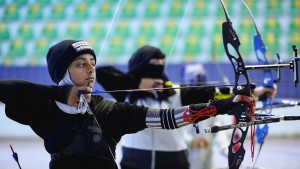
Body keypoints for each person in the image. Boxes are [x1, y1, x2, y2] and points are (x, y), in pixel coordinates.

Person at [0, 40, 255, 169]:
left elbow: (169, 118)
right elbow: (9, 90)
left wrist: (224, 106)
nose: (91, 70)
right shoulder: (44, 109)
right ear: (62, 74)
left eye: (92, 62)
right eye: (80, 64)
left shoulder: (109, 111)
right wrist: (62, 93)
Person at [95, 45, 273, 169]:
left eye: (159, 73)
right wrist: (138, 82)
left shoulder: (175, 93)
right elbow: (101, 72)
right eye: (151, 74)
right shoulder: (127, 94)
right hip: (135, 162)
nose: (156, 82)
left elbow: (214, 92)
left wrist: (255, 92)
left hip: (174, 161)